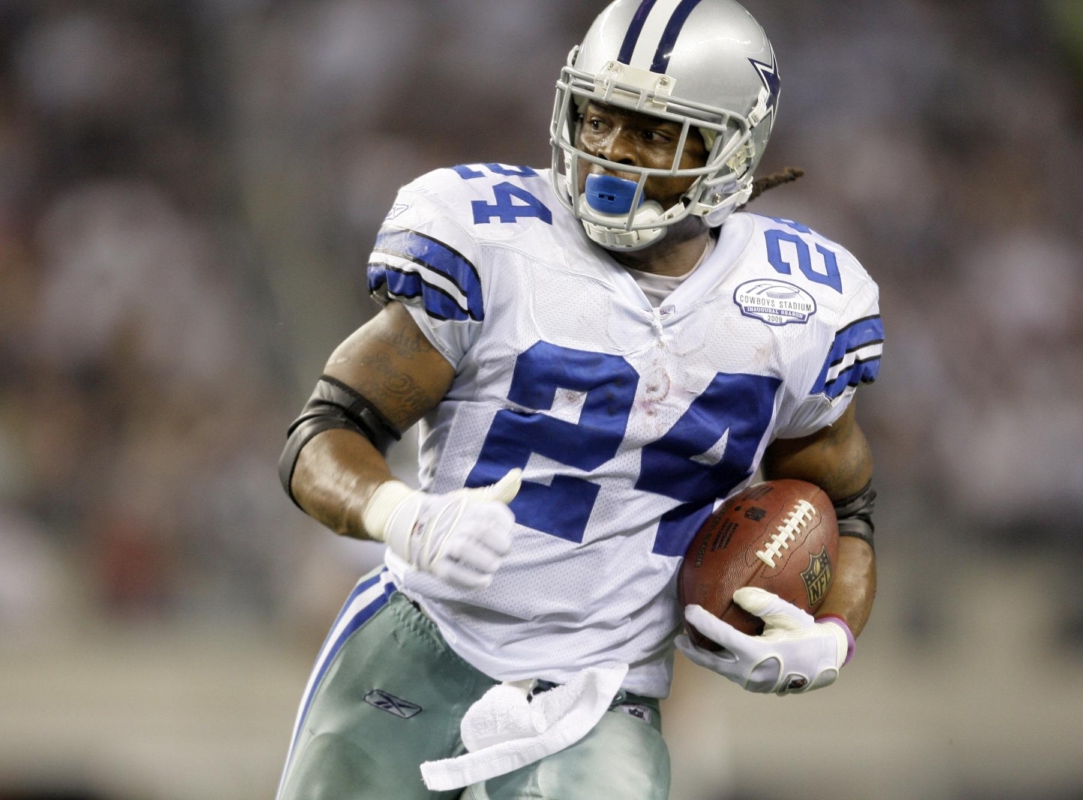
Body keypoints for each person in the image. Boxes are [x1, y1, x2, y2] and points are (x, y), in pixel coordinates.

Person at [274, 0, 882, 797]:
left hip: (605, 696)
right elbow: (324, 432)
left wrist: (831, 637)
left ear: (731, 151)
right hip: (421, 642)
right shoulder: (491, 237)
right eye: (598, 119)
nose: (609, 154)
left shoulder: (798, 303)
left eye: (654, 132)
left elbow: (849, 504)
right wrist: (406, 517)